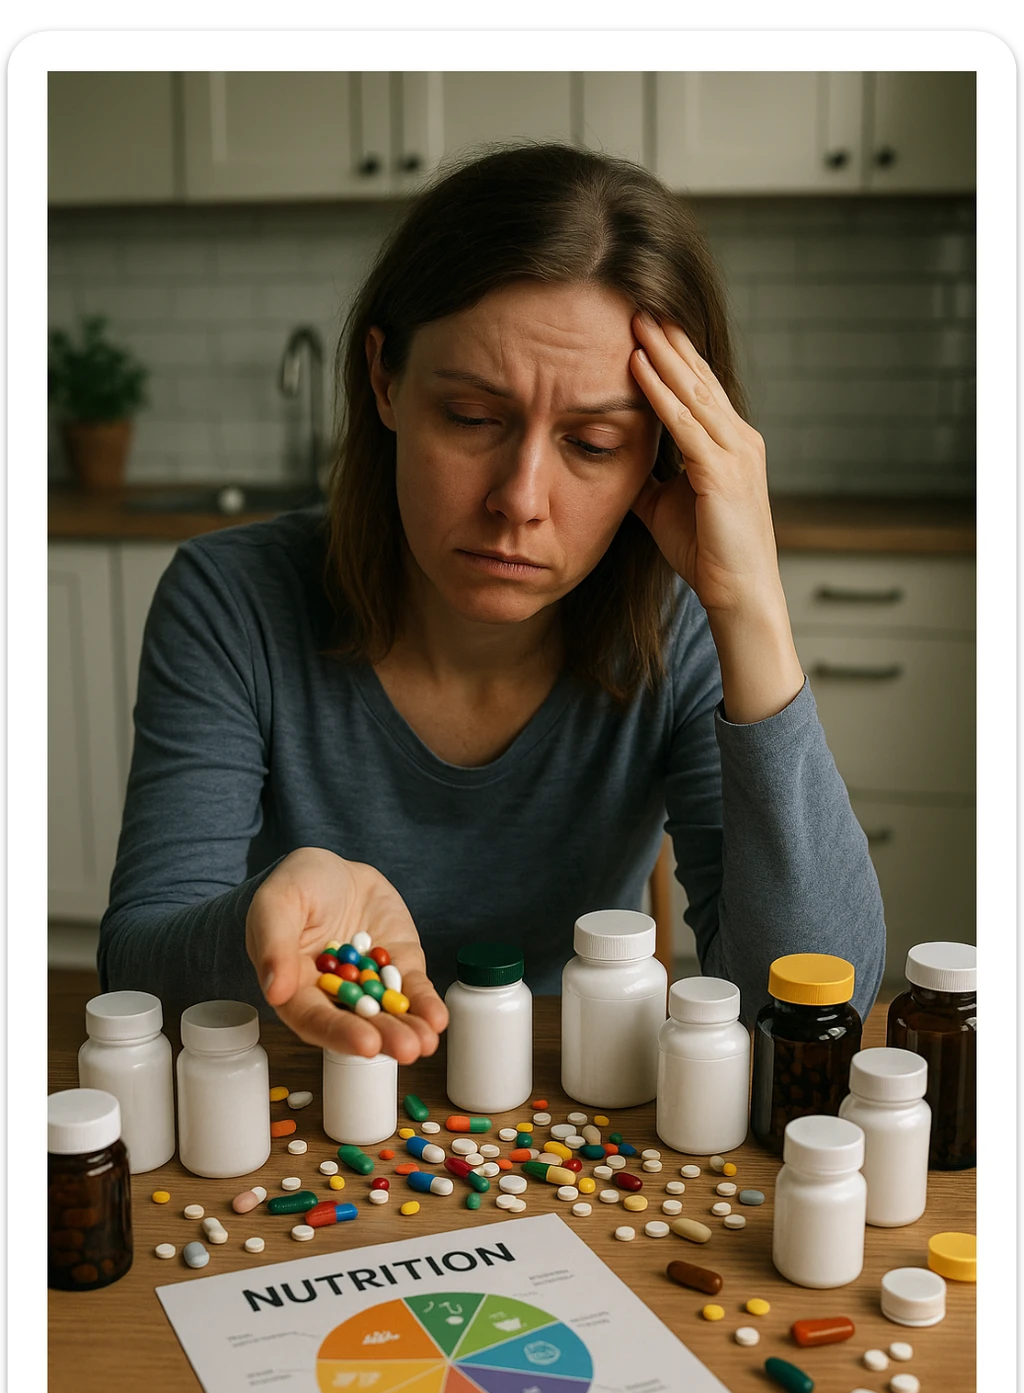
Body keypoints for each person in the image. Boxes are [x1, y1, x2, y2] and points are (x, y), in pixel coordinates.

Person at [99, 142, 885, 1065]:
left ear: (663, 456)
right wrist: (262, 913)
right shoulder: (229, 602)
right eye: (472, 419)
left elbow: (814, 999)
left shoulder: (677, 630)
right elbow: (132, 976)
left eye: (592, 442)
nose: (520, 497)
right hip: (296, 1102)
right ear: (385, 379)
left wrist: (751, 603)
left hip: (565, 1103)